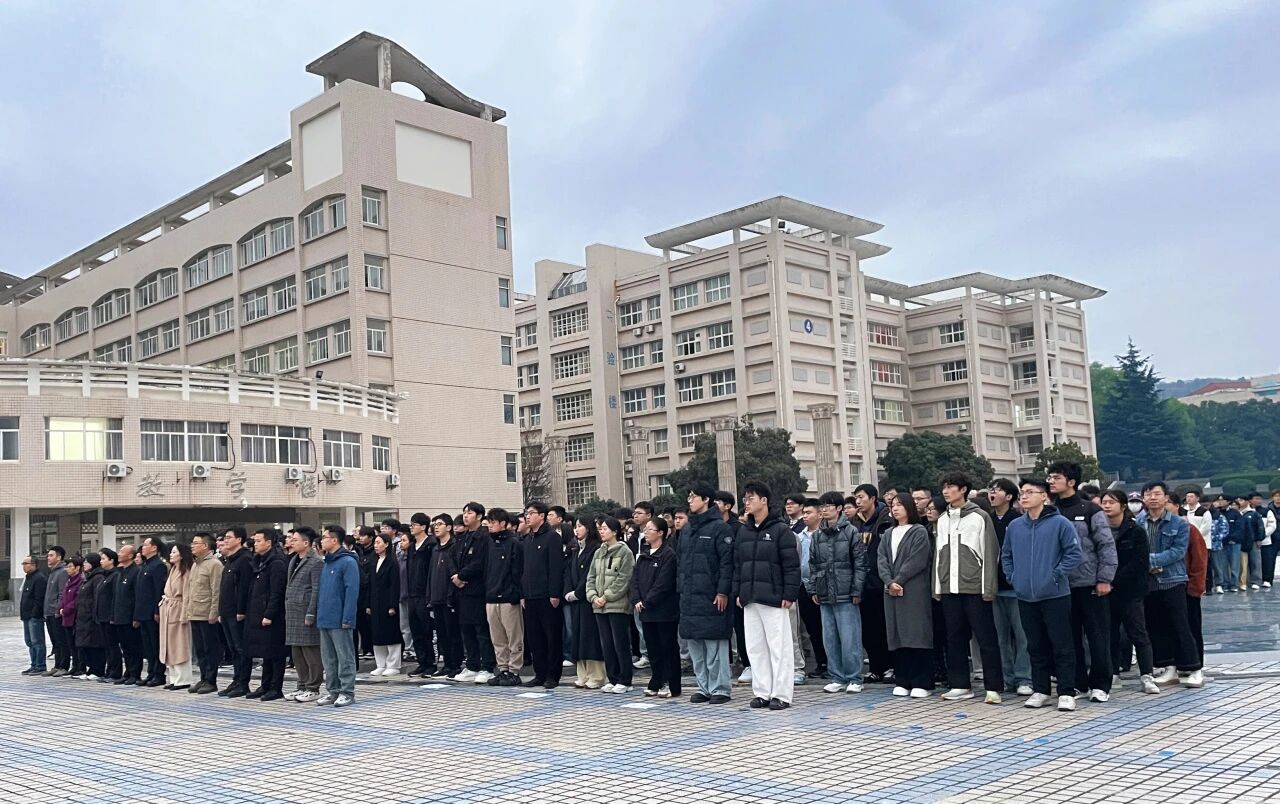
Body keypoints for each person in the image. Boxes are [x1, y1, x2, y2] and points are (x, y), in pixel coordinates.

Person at [1000, 479, 1081, 712]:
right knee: (1035, 646)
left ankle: (1066, 691)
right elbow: (1006, 555)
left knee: (1062, 645)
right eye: (1022, 493)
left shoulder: (1060, 523)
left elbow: (1074, 553)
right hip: (1025, 595)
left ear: (1044, 496)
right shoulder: (1015, 526)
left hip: (1055, 595)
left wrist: (1056, 575)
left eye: (1029, 492)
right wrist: (1013, 577)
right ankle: (1041, 689)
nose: (1024, 497)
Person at [1047, 461, 1117, 703]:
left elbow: (1106, 545)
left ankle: (1101, 684)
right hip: (1060, 586)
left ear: (1071, 482)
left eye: (1056, 477)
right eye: (1050, 477)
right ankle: (1078, 683)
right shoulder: (1050, 511)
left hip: (1089, 582)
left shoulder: (1090, 510)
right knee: (1068, 638)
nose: (1051, 481)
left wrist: (1105, 578)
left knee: (1097, 636)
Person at [933, 472, 1005, 704]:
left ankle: (993, 687)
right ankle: (960, 685)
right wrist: (937, 586)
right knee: (954, 638)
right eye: (944, 487)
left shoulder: (980, 517)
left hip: (975, 588)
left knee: (986, 638)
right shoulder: (942, 519)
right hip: (949, 588)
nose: (946, 491)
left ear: (963, 489)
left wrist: (988, 587)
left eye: (950, 486)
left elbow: (991, 552)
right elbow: (938, 555)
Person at [734, 481, 801, 711]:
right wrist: (739, 592)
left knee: (778, 647)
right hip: (749, 597)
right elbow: (738, 565)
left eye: (751, 498)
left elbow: (791, 566)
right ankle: (762, 692)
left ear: (764, 500)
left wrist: (789, 593)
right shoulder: (744, 531)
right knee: (755, 647)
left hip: (774, 597)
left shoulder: (780, 530)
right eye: (745, 498)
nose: (747, 502)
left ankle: (781, 694)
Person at [1138, 482, 1204, 688]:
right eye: (1148, 494)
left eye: (1157, 494)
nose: (1152, 498)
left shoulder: (1179, 524)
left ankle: (1194, 668)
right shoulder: (1138, 523)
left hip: (1173, 580)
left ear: (1166, 497)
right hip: (1148, 583)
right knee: (1157, 627)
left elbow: (1178, 551)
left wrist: (1149, 562)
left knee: (1181, 626)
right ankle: (1170, 668)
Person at [1097, 490, 1159, 694]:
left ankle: (1147, 675)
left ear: (1123, 506)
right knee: (1110, 634)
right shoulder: (1098, 530)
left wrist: (1111, 578)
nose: (1107, 506)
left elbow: (1139, 562)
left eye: (1111, 502)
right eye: (1104, 502)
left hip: (1131, 591)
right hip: (1105, 591)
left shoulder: (1135, 530)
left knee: (1138, 633)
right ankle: (1113, 673)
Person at [678, 483, 735, 704]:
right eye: (689, 496)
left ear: (706, 500)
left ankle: (720, 688)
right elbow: (680, 563)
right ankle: (703, 687)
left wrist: (723, 591)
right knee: (695, 646)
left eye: (694, 496)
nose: (690, 500)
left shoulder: (720, 528)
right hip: (689, 596)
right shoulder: (687, 529)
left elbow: (727, 564)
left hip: (712, 595)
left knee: (714, 644)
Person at [879, 492, 935, 698]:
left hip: (913, 588)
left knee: (916, 632)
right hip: (891, 589)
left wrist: (899, 580)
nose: (895, 508)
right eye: (893, 505)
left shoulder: (919, 531)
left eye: (900, 505)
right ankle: (902, 679)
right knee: (897, 633)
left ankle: (921, 681)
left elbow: (917, 560)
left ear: (910, 507)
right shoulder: (888, 533)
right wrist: (889, 581)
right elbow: (881, 559)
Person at [810, 495, 866, 694]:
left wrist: (857, 590)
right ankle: (837, 677)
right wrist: (814, 589)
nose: (824, 509)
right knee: (830, 639)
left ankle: (855, 678)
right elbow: (813, 564)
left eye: (829, 506)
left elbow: (860, 564)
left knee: (850, 638)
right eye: (822, 506)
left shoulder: (851, 532)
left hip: (846, 592)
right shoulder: (817, 535)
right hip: (825, 592)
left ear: (840, 508)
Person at [988, 478, 1032, 697]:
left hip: (1016, 588)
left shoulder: (1018, 520)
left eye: (997, 490)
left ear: (1008, 496)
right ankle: (1006, 678)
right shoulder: (986, 520)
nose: (992, 493)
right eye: (991, 489)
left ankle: (1025, 678)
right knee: (1000, 637)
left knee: (1022, 636)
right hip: (993, 587)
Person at [587, 515, 637, 693]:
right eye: (600, 528)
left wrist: (606, 596)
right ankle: (613, 677)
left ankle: (625, 680)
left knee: (620, 643)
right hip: (599, 606)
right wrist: (593, 596)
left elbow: (624, 579)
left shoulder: (625, 552)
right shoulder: (598, 552)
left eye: (605, 528)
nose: (601, 531)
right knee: (606, 644)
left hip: (617, 605)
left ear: (615, 531)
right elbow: (591, 577)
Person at [849, 484, 893, 684]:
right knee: (868, 629)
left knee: (885, 627)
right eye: (856, 498)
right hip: (862, 584)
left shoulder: (886, 520)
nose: (858, 501)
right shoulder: (855, 523)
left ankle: (892, 667)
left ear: (873, 498)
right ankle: (876, 668)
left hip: (881, 582)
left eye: (861, 497)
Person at [633, 517, 680, 698]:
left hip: (664, 610)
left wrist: (647, 601)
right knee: (653, 648)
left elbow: (663, 583)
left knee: (667, 647)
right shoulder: (644, 554)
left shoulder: (668, 555)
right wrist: (636, 598)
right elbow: (635, 579)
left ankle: (671, 683)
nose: (646, 532)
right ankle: (656, 679)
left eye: (650, 529)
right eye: (645, 529)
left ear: (660, 533)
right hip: (645, 611)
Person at [521, 502, 566, 689]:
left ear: (542, 516)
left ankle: (552, 675)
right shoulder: (527, 539)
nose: (527, 516)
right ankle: (539, 674)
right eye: (526, 513)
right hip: (529, 596)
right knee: (535, 638)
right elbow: (523, 569)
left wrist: (555, 593)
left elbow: (556, 567)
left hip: (547, 596)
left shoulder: (552, 538)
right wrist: (522, 594)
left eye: (531, 513)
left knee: (552, 637)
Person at [317, 524, 361, 707]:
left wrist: (348, 618)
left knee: (345, 657)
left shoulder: (348, 562)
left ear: (334, 540)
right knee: (329, 659)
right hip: (325, 618)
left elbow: (352, 591)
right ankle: (333, 691)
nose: (321, 540)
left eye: (324, 537)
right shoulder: (327, 562)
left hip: (340, 619)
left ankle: (347, 691)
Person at [453, 505, 497, 684]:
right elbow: (454, 559)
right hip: (462, 591)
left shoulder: (484, 537)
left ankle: (487, 667)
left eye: (469, 513)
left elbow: (480, 563)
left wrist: (462, 576)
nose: (465, 516)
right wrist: (456, 576)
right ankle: (472, 665)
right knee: (467, 630)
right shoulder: (463, 537)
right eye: (464, 513)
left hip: (478, 590)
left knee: (481, 630)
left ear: (479, 516)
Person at [482, 508, 525, 686]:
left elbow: (518, 571)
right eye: (489, 522)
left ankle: (514, 670)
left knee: (513, 636)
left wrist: (517, 594)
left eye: (493, 522)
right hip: (491, 597)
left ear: (503, 523)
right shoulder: (488, 543)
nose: (490, 526)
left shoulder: (515, 543)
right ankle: (503, 669)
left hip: (509, 597)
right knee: (497, 638)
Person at [243, 529, 287, 700]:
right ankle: (265, 685)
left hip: (273, 615)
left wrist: (269, 613)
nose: (255, 544)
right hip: (257, 612)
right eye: (255, 541)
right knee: (265, 652)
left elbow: (277, 591)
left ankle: (276, 687)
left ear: (268, 543)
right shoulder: (259, 561)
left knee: (275, 652)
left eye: (259, 541)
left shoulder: (277, 562)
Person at [565, 516, 605, 689]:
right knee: (578, 636)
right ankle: (583, 674)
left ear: (588, 528)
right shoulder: (576, 548)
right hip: (575, 600)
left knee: (590, 637)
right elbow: (568, 570)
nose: (577, 529)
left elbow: (590, 574)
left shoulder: (595, 548)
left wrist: (578, 593)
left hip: (588, 599)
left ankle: (596, 675)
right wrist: (568, 591)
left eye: (580, 526)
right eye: (575, 526)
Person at [283, 528, 323, 701]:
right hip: (293, 612)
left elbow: (316, 590)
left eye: (295, 539)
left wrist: (311, 613)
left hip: (305, 611)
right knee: (297, 652)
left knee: (310, 651)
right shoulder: (294, 560)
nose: (291, 542)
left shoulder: (316, 562)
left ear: (306, 543)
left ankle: (313, 687)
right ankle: (302, 685)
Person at [1169, 495, 1208, 666]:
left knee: (1191, 626)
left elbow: (1199, 560)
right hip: (1166, 586)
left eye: (1167, 502)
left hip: (1188, 586)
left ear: (1177, 506)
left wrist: (1196, 587)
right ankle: (1175, 663)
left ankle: (1195, 663)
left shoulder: (1189, 529)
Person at [217, 527, 254, 698]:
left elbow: (244, 587)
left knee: (241, 649)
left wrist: (241, 610)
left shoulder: (245, 559)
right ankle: (236, 679)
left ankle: (243, 683)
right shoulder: (230, 560)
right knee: (233, 648)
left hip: (236, 613)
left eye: (229, 537)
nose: (225, 540)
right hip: (226, 611)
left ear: (239, 540)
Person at [184, 533, 223, 694]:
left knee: (210, 648)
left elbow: (216, 590)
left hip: (207, 614)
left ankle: (211, 680)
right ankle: (203, 677)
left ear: (205, 546)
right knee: (199, 649)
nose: (192, 546)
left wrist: (214, 612)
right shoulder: (195, 564)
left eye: (196, 543)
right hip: (195, 612)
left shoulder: (214, 564)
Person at [428, 514, 465, 680]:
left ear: (449, 527)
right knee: (441, 634)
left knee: (453, 633)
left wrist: (452, 596)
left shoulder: (454, 547)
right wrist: (429, 597)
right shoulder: (435, 549)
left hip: (450, 598)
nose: (436, 527)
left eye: (440, 524)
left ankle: (455, 665)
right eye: (435, 524)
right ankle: (446, 665)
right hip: (436, 597)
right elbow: (430, 575)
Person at [364, 532, 403, 678]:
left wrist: (392, 605)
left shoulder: (392, 563)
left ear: (386, 544)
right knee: (377, 633)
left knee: (390, 633)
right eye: (375, 543)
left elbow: (394, 585)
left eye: (378, 542)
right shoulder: (373, 562)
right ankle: (381, 664)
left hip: (387, 603)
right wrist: (368, 604)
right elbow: (369, 584)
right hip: (375, 602)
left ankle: (393, 665)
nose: (376, 545)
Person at [405, 512, 437, 678]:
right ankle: (422, 662)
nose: (411, 527)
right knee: (415, 630)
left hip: (424, 593)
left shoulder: (431, 545)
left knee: (426, 631)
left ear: (423, 526)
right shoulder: (411, 547)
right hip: (412, 594)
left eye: (414, 524)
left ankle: (431, 663)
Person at [159, 543, 194, 691]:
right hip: (168, 608)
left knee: (180, 645)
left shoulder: (185, 571)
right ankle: (174, 678)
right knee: (169, 645)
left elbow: (186, 594)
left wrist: (184, 614)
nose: (171, 555)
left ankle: (183, 679)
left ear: (181, 555)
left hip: (178, 609)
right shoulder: (173, 569)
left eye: (174, 552)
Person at [135, 537, 168, 686]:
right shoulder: (145, 565)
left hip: (152, 612)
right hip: (142, 612)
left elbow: (158, 590)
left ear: (154, 548)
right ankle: (151, 673)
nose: (143, 547)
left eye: (146, 545)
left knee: (155, 644)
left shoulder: (158, 565)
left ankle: (159, 674)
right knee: (147, 646)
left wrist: (157, 610)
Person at [106, 544, 141, 685]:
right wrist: (113, 615)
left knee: (133, 647)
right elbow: (115, 596)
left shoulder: (135, 572)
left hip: (129, 617)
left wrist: (136, 617)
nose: (119, 554)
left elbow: (137, 596)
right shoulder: (120, 572)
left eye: (122, 551)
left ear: (130, 555)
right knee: (125, 647)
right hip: (119, 616)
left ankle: (135, 673)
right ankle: (128, 672)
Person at [77, 552, 110, 680]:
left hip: (92, 617)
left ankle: (98, 670)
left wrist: (93, 613)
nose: (84, 564)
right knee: (87, 644)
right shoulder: (89, 577)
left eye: (87, 562)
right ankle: (90, 668)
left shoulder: (98, 577)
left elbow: (96, 597)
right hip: (83, 616)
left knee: (95, 644)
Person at [42, 546, 71, 677]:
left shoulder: (62, 572)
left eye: (51, 555)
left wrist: (57, 609)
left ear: (59, 557)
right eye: (48, 555)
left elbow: (61, 593)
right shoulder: (53, 572)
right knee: (55, 641)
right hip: (48, 613)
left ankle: (64, 666)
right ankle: (57, 665)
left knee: (61, 640)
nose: (48, 558)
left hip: (56, 613)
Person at [19, 556, 48, 675]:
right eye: (23, 564)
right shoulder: (28, 578)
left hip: (34, 616)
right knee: (29, 641)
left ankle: (40, 665)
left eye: (26, 563)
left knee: (37, 641)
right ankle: (33, 664)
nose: (24, 566)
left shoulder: (39, 578)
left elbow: (39, 599)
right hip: (26, 615)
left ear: (33, 565)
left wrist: (35, 614)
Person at [59, 556, 86, 678]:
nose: (67, 569)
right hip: (66, 616)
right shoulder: (69, 580)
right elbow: (64, 597)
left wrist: (67, 609)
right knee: (70, 643)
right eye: (67, 566)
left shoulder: (80, 580)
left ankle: (81, 666)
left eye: (70, 566)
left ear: (78, 568)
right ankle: (74, 666)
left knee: (77, 643)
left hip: (74, 616)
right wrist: (61, 608)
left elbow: (77, 599)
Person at [1238, 495, 1265, 591]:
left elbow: (1260, 527)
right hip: (1240, 541)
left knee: (1255, 561)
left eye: (1241, 500)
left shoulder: (1254, 514)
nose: (1239, 502)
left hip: (1253, 541)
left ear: (1247, 502)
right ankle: (1244, 581)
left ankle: (1256, 581)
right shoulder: (1237, 513)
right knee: (1242, 563)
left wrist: (1259, 539)